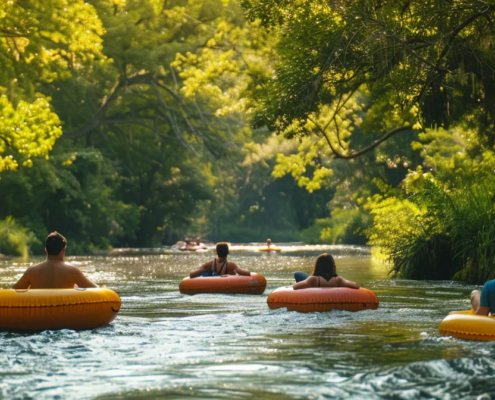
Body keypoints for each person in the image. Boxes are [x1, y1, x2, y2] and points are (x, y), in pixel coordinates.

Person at [13, 232, 97, 289]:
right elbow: (95, 290)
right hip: (64, 313)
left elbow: (13, 291)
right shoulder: (72, 271)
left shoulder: (31, 271)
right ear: (63, 249)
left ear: (46, 250)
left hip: (38, 313)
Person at [293, 253, 359, 290]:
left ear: (318, 266)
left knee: (297, 274)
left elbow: (295, 287)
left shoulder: (313, 279)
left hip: (316, 282)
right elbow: (355, 286)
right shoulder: (338, 280)